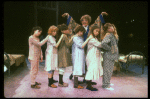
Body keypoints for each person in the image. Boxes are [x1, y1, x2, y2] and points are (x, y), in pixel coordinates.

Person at [62, 12, 108, 84]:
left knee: (88, 64)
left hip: (88, 48)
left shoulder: (91, 27)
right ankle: (74, 75)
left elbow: (97, 22)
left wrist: (101, 15)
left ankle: (87, 79)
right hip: (80, 47)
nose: (84, 22)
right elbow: (72, 23)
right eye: (83, 20)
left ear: (88, 21)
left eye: (86, 20)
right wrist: (68, 16)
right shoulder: (79, 27)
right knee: (79, 63)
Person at [82, 25, 103, 91]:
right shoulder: (92, 39)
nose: (97, 32)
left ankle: (89, 82)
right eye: (96, 31)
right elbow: (100, 45)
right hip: (91, 56)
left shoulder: (94, 38)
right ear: (92, 31)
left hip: (94, 55)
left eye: (98, 31)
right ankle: (88, 85)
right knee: (91, 69)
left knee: (92, 68)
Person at [101, 23, 119, 91]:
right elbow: (103, 43)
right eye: (109, 28)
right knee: (107, 71)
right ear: (107, 30)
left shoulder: (113, 35)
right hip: (108, 55)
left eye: (112, 27)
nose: (112, 28)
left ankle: (107, 82)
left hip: (111, 56)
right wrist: (110, 49)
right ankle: (105, 85)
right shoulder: (109, 35)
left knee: (109, 70)